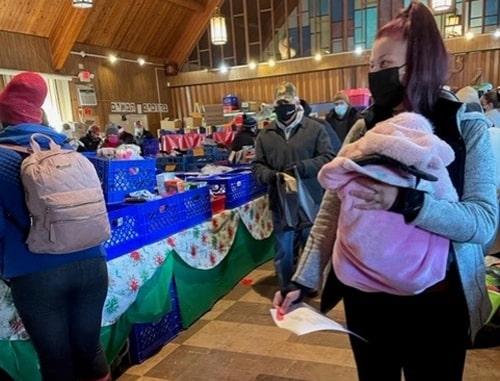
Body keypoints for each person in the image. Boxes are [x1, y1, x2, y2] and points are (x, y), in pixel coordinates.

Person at [274, 3, 497, 381]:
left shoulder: (465, 128)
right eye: (372, 66)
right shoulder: (365, 128)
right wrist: (304, 279)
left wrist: (407, 202)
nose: (374, 75)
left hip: (439, 300)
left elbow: (482, 223)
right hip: (367, 298)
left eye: (383, 65)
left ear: (415, 66)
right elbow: (331, 211)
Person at [0, 72, 110, 381]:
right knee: (91, 352)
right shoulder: (71, 151)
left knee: (57, 362)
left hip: (36, 275)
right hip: (92, 264)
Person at [254, 82, 334, 289]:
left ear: (296, 103)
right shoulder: (265, 135)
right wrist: (270, 176)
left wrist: (303, 167)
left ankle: (308, 285)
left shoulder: (315, 129)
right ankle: (286, 287)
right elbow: (257, 164)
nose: (283, 108)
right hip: (280, 200)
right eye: (279, 104)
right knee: (284, 247)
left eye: (287, 103)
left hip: (310, 198)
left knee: (310, 244)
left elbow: (328, 157)